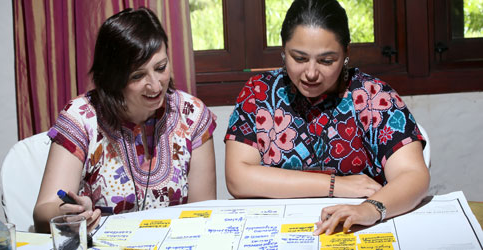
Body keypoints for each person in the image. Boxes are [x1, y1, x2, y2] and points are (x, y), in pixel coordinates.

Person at [224, 0, 430, 235]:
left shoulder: (373, 97)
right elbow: (238, 178)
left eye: (326, 61)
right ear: (283, 50)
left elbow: (413, 175)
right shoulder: (259, 93)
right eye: (299, 58)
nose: (311, 73)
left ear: (346, 54)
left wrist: (371, 209)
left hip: (358, 230)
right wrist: (336, 185)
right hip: (274, 231)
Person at [33, 7, 217, 233]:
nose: (156, 85)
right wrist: (70, 214)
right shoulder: (81, 118)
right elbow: (43, 211)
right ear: (113, 78)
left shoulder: (192, 114)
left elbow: (202, 213)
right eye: (138, 76)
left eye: (161, 68)